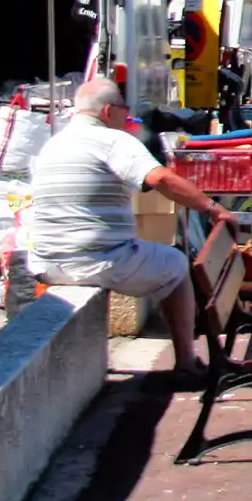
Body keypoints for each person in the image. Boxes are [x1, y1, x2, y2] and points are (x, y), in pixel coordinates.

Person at [26, 80, 239, 381]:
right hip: (94, 261)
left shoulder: (53, 144)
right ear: (109, 110)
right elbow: (161, 180)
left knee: (149, 254)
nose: (128, 120)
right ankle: (186, 362)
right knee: (176, 264)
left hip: (47, 262)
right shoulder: (112, 140)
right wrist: (213, 208)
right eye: (125, 113)